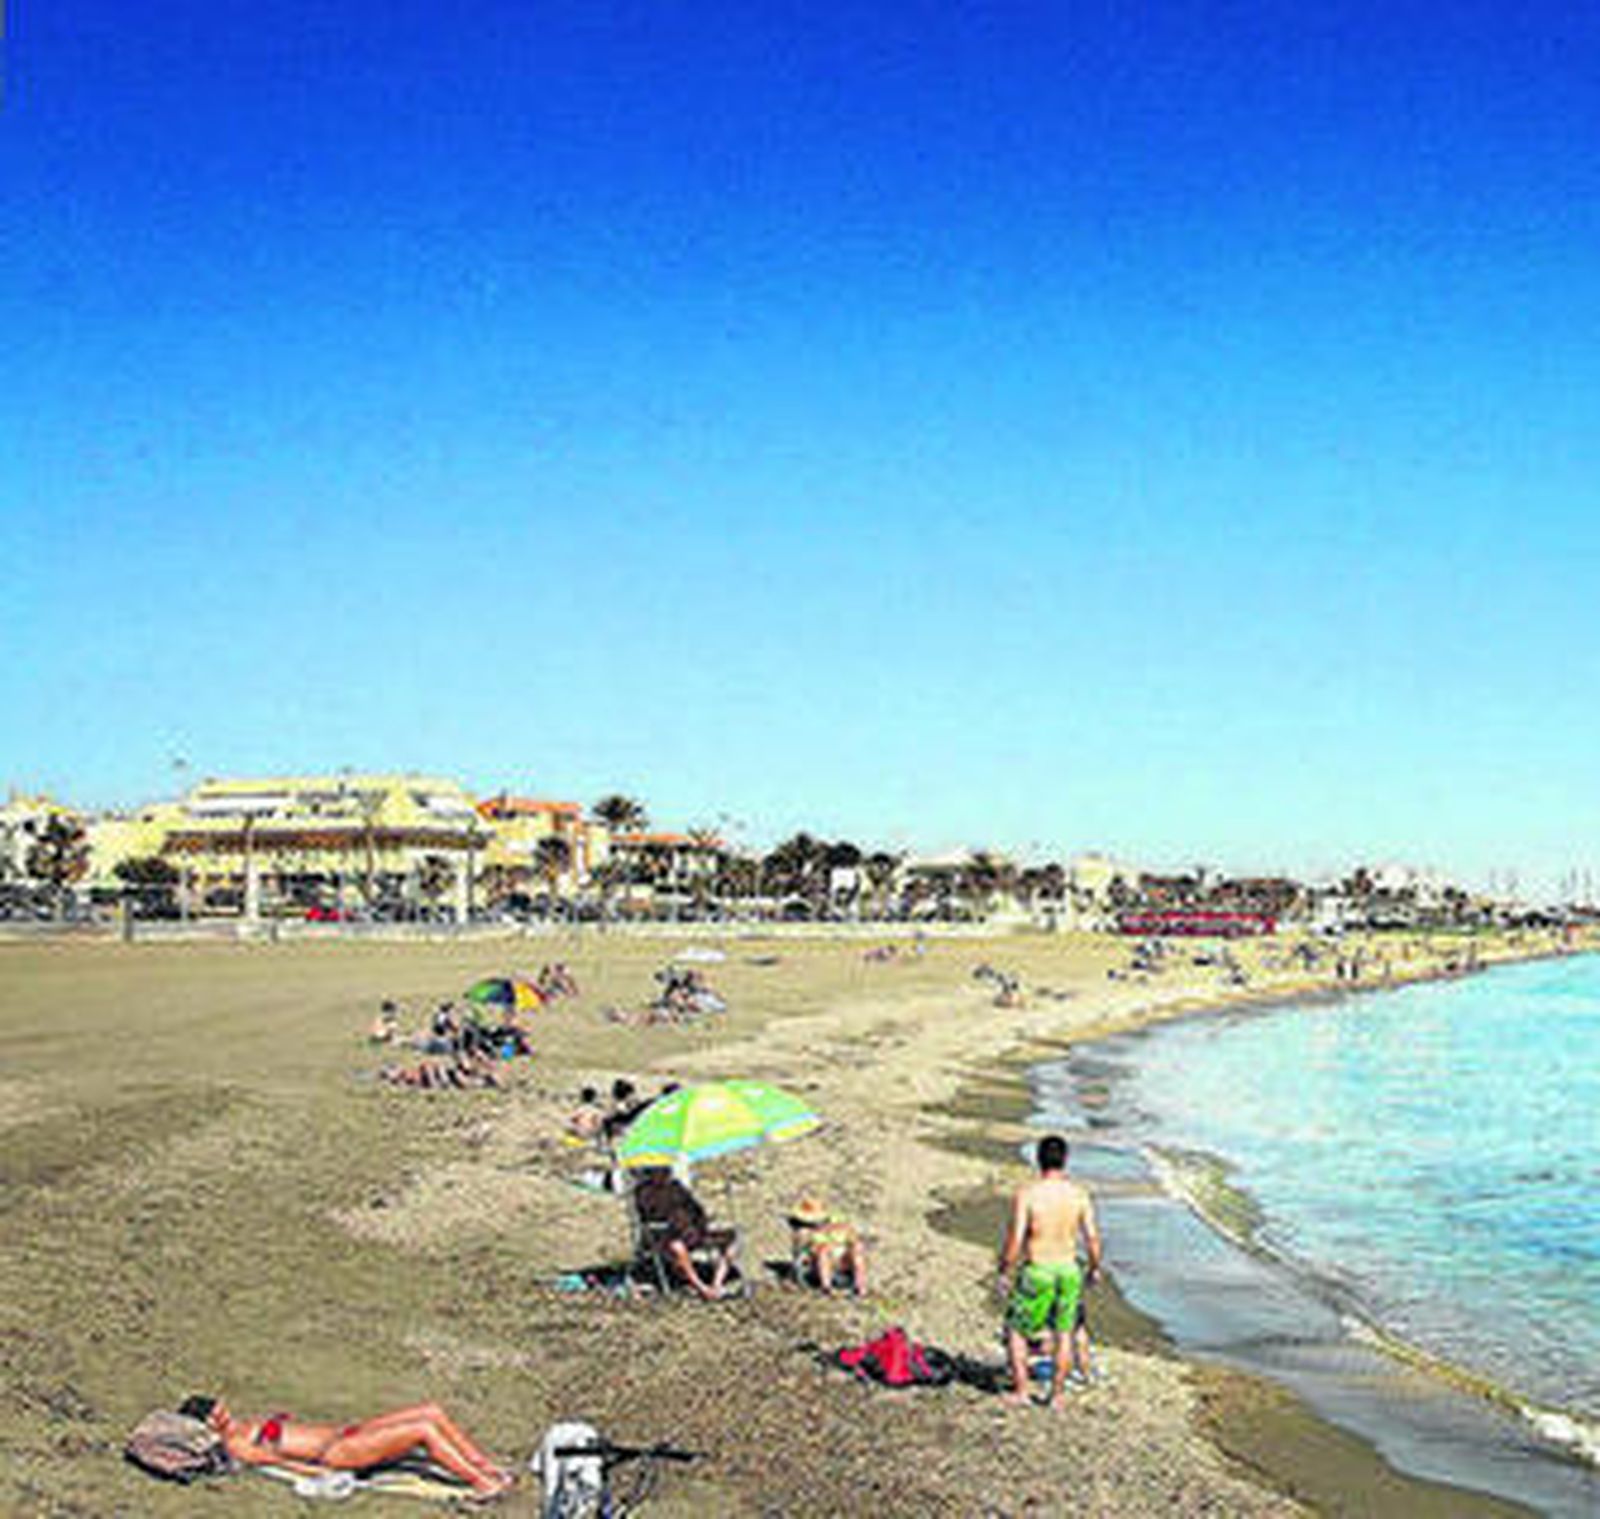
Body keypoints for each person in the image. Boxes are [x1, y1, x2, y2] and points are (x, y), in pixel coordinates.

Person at [175, 1395, 513, 1498]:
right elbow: (272, 1460)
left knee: (431, 1411)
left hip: (345, 1434)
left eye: (220, 1405)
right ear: (209, 1423)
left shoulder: (244, 1426)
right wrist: (319, 1473)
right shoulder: (236, 1443)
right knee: (423, 1430)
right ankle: (481, 1484)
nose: (225, 1411)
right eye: (217, 1412)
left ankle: (483, 1466)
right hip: (337, 1454)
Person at [997, 1133, 1102, 1409]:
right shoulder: (1079, 1195)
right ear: (1065, 1160)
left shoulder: (1028, 1195)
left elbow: (1015, 1239)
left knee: (1016, 1331)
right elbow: (1092, 1237)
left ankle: (1022, 1391)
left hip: (1039, 1269)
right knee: (1064, 1332)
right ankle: (1056, 1395)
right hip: (1068, 1269)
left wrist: (1004, 1270)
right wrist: (1094, 1267)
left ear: (1038, 1159)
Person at [631, 1167, 738, 1300]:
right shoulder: (644, 1192)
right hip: (662, 1237)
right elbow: (649, 1220)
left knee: (731, 1238)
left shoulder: (677, 1187)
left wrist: (699, 1224)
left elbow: (696, 1209)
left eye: (667, 1170)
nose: (667, 1173)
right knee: (677, 1247)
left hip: (691, 1231)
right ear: (652, 1172)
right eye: (662, 1170)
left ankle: (717, 1283)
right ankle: (702, 1288)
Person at [788, 1195, 868, 1296]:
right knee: (824, 1250)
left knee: (858, 1247)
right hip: (818, 1262)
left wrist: (844, 1237)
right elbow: (803, 1252)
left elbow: (852, 1236)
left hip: (841, 1257)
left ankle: (860, 1286)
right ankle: (826, 1287)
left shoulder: (836, 1220)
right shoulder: (803, 1230)